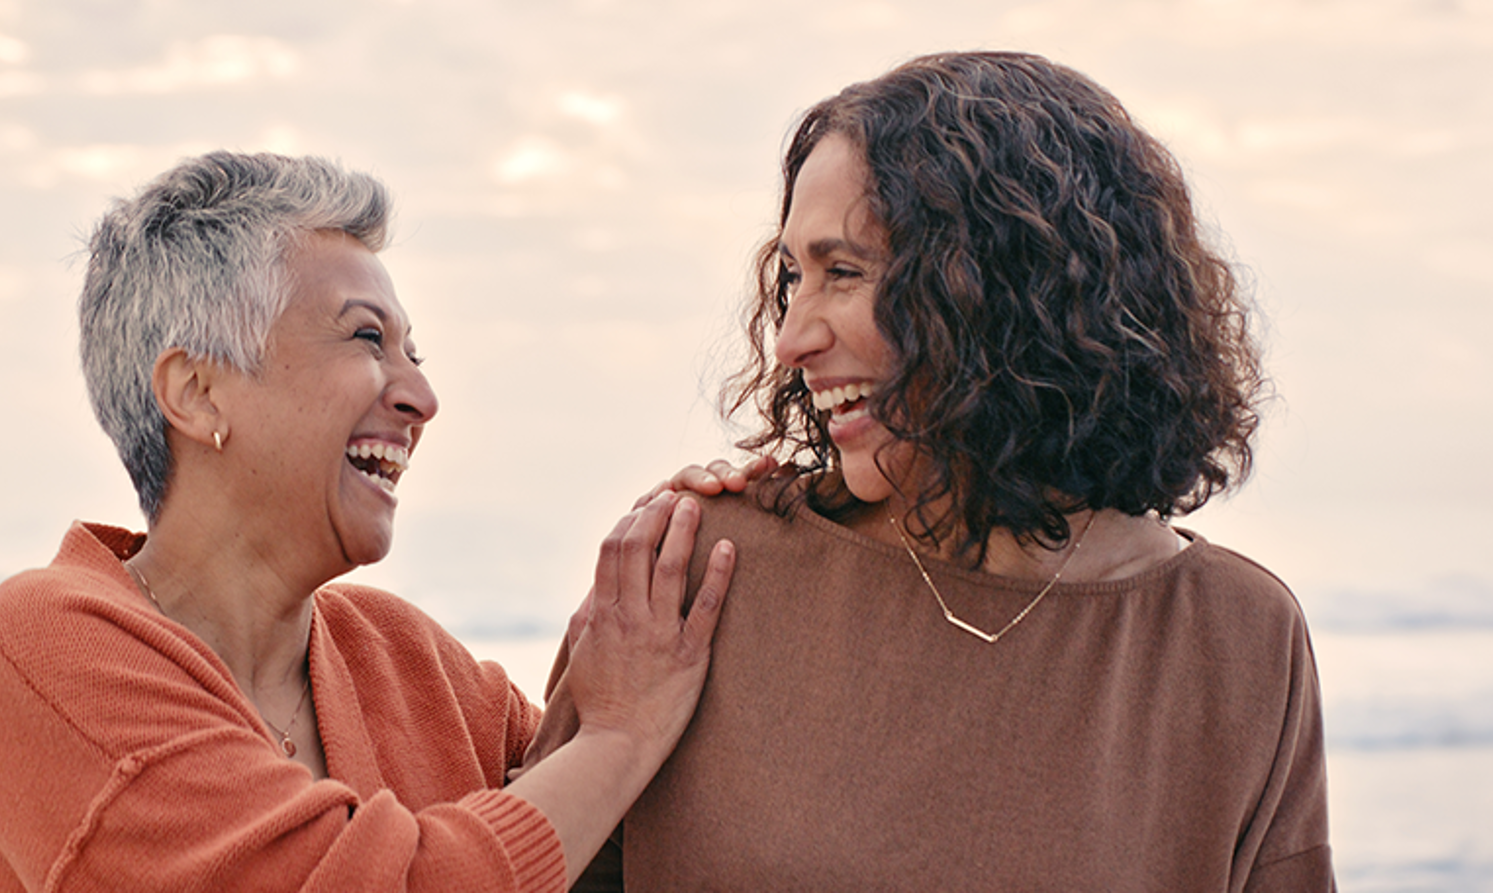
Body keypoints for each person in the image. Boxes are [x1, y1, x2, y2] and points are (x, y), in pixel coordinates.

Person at [547, 51, 1334, 891]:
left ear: (1005, 288)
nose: (790, 339)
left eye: (842, 272)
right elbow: (517, 862)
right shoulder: (696, 570)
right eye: (790, 278)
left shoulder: (1239, 640)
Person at [0, 152, 739, 893]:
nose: (421, 399)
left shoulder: (405, 657)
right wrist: (618, 737)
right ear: (196, 390)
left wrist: (700, 544)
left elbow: (620, 834)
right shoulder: (50, 649)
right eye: (366, 337)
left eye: (414, 354)